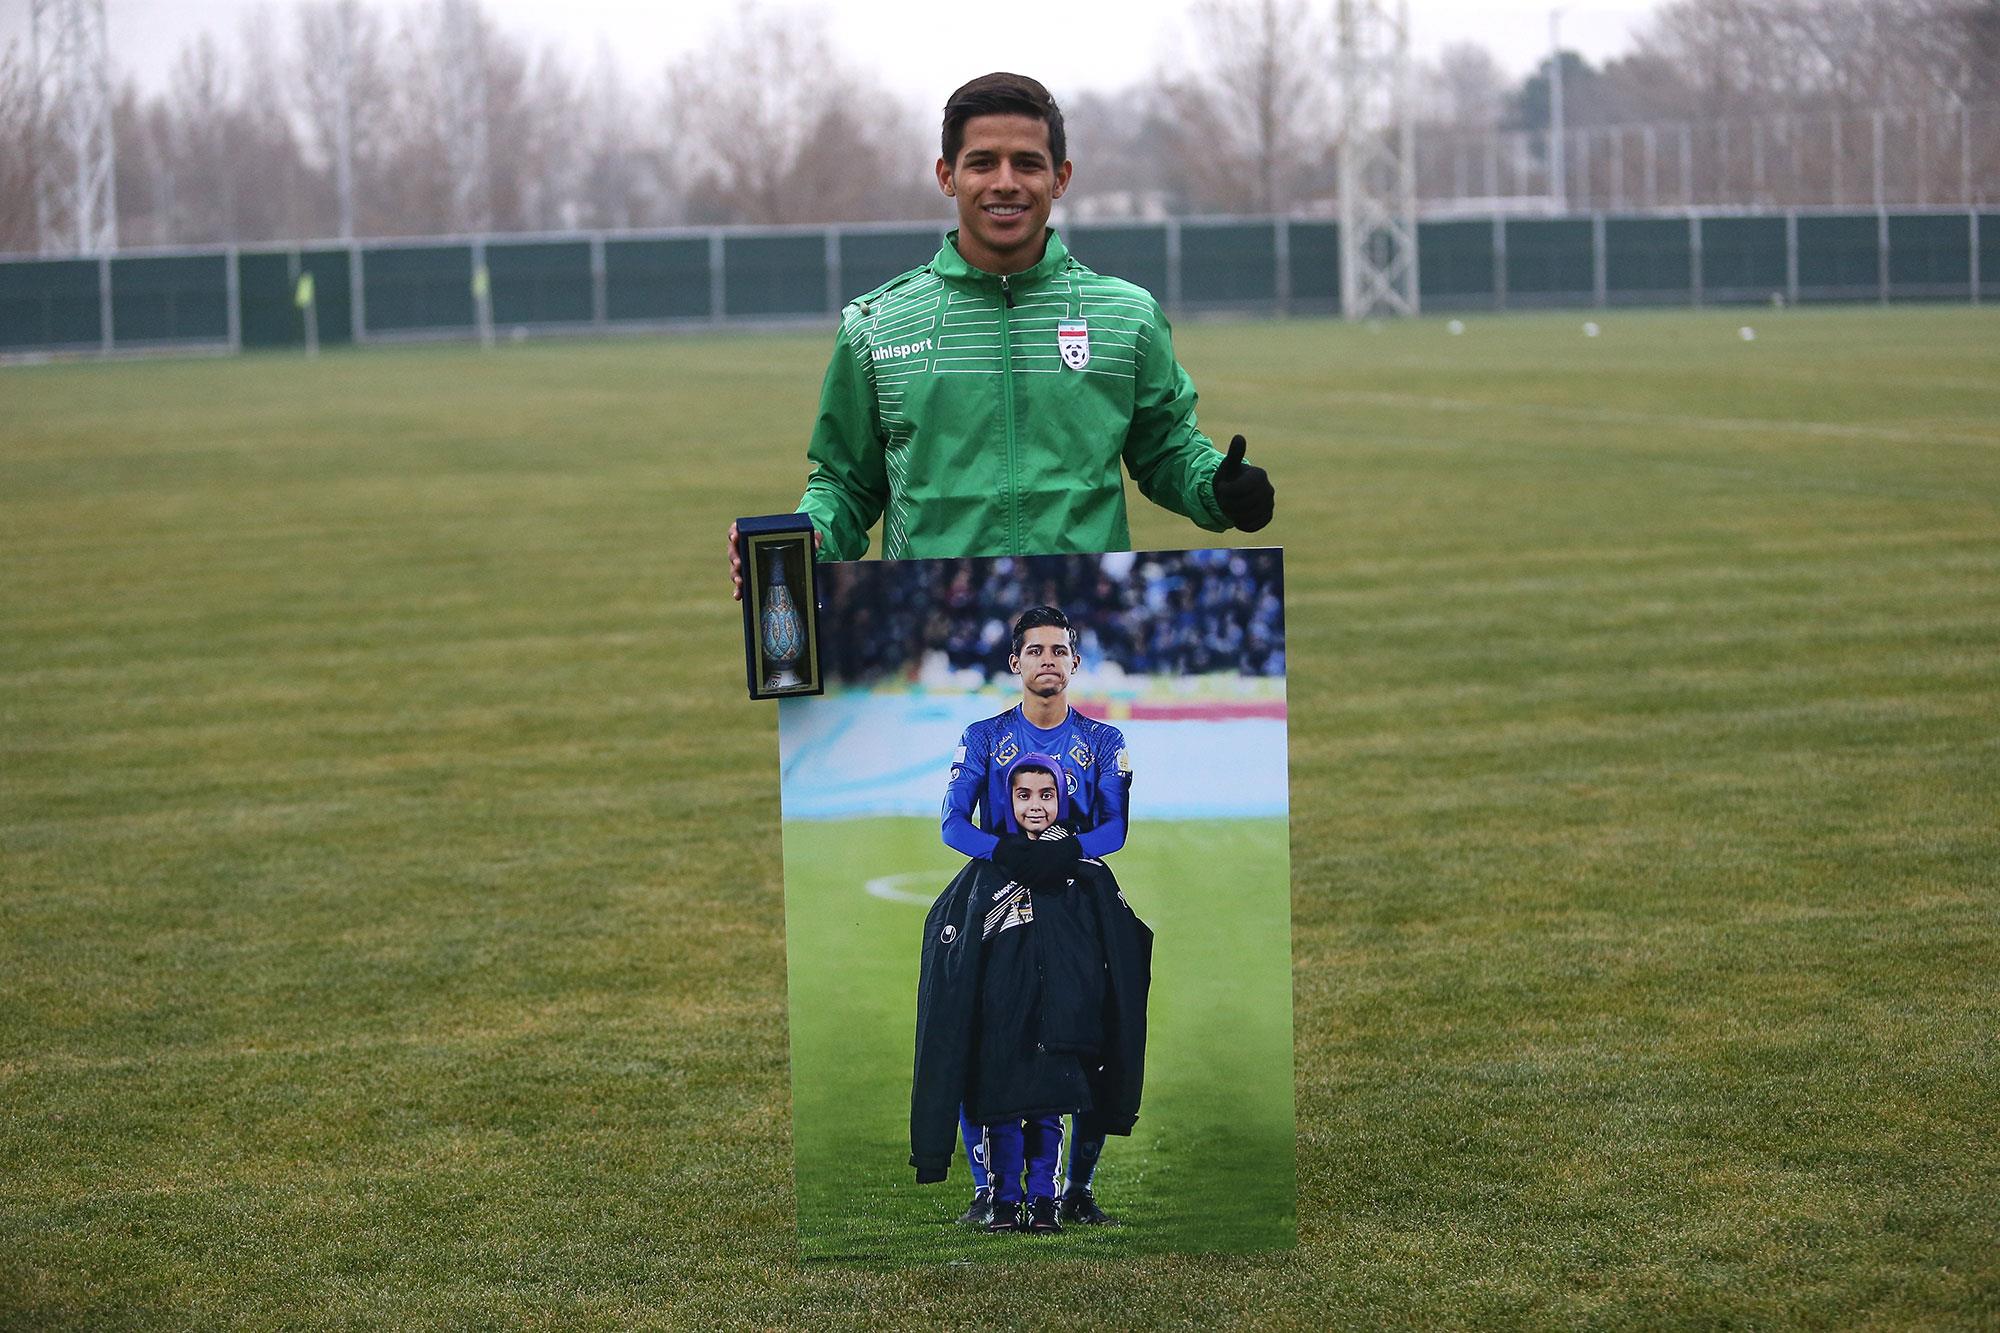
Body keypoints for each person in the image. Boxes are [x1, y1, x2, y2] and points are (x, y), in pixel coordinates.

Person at [726, 70, 1274, 597]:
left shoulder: (1125, 316)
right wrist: (804, 540)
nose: (1005, 182)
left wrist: (1216, 486)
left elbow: (1167, 451)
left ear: (1060, 178)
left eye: (1027, 163)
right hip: (931, 622)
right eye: (982, 162)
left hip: (1079, 621)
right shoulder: (875, 325)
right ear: (947, 176)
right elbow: (845, 483)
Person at [941, 605, 1129, 1227]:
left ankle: (1075, 1189)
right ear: (1015, 662)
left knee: (1090, 1043)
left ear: (1075, 663)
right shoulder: (983, 737)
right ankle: (989, 1191)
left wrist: (1065, 852)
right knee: (977, 1041)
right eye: (1035, 650)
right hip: (996, 903)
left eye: (1059, 651)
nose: (1047, 661)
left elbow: (1115, 830)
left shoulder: (1104, 742)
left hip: (1075, 906)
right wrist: (1006, 852)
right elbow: (952, 824)